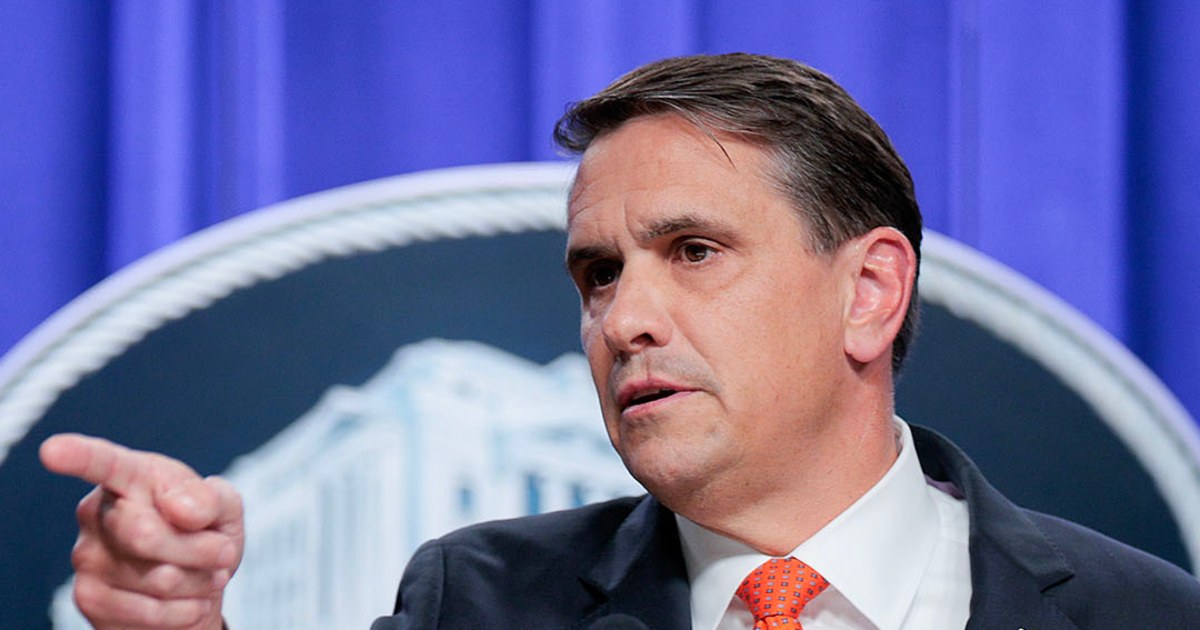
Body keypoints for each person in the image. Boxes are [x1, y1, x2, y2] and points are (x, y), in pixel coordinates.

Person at [41, 53, 1200, 629]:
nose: (623, 318)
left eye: (692, 250)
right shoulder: (481, 602)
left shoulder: (1144, 615)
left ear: (868, 292)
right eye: (599, 274)